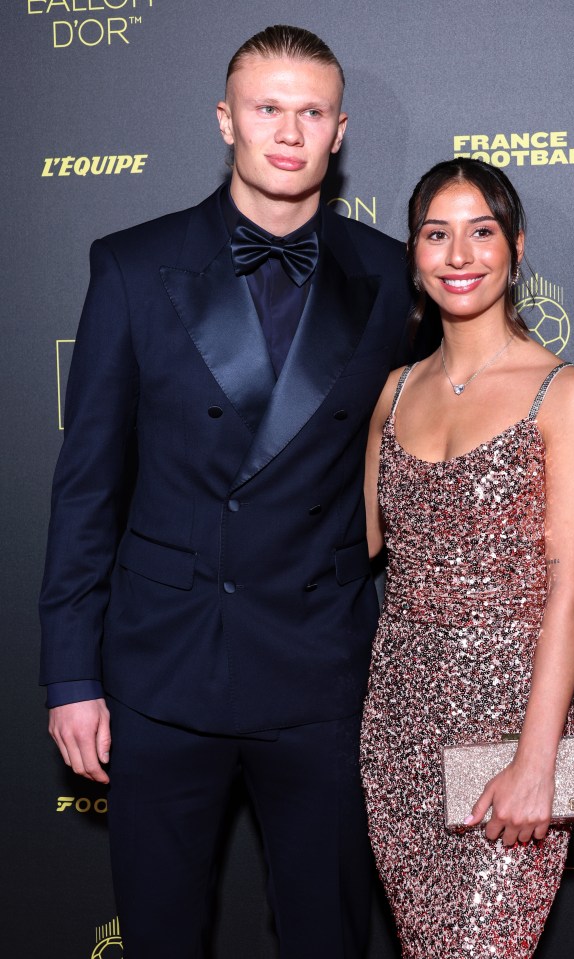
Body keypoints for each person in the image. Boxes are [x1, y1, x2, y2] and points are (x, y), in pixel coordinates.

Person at [39, 25, 411, 959]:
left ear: (339, 131)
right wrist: (74, 673)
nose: (288, 131)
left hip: (321, 668)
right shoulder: (131, 265)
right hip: (162, 670)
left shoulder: (394, 273)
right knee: (161, 935)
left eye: (311, 111)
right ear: (226, 121)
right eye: (267, 108)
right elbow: (87, 484)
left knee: (328, 935)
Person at [360, 157, 574, 957]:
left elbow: (570, 593)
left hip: (509, 723)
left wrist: (536, 762)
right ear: (414, 253)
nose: (459, 255)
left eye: (482, 232)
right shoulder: (393, 390)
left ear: (516, 248)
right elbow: (354, 541)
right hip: (397, 722)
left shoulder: (566, 393)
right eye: (437, 234)